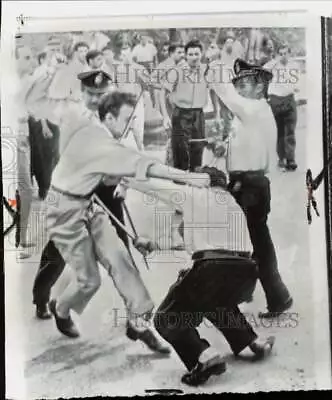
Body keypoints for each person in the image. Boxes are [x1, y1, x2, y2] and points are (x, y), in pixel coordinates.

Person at [44, 82, 211, 344]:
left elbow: (114, 174)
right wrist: (189, 177)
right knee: (89, 281)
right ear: (108, 117)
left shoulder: (99, 135)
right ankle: (61, 309)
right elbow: (146, 166)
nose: (129, 125)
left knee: (121, 258)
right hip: (63, 211)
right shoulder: (96, 139)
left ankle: (139, 322)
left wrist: (117, 179)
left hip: (88, 203)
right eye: (125, 119)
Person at [121, 168, 275, 387]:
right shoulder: (232, 204)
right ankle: (253, 342)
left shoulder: (195, 194)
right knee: (216, 299)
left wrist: (124, 175)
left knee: (166, 318)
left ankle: (204, 355)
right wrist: (154, 245)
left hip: (212, 268)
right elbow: (196, 242)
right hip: (246, 272)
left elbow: (156, 187)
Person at [32, 70, 124, 320]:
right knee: (59, 250)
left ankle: (134, 313)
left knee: (121, 247)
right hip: (75, 187)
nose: (96, 99)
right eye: (91, 94)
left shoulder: (114, 115)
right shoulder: (73, 115)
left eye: (101, 94)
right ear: (82, 92)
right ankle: (41, 297)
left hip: (107, 185)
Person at [206, 58, 293, 318]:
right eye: (238, 84)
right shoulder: (250, 113)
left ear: (259, 87)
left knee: (253, 243)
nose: (240, 89)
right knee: (252, 242)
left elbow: (227, 95)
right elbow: (241, 145)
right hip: (246, 183)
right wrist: (222, 149)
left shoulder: (255, 109)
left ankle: (274, 296)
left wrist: (212, 70)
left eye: (244, 84)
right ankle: (262, 293)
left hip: (251, 186)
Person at [265, 44, 300, 171]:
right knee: (280, 131)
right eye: (281, 53)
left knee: (290, 130)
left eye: (286, 53)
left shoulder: (294, 66)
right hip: (276, 99)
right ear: (278, 54)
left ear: (289, 54)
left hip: (289, 99)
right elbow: (262, 73)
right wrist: (275, 61)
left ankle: (291, 159)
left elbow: (297, 84)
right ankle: (281, 158)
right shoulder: (272, 65)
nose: (283, 56)